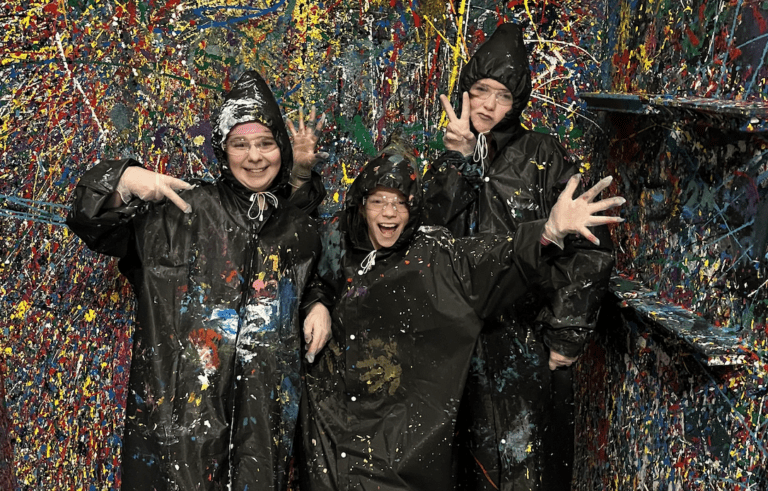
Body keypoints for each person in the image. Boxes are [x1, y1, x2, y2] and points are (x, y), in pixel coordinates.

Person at [298, 138, 624, 490]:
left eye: (400, 202)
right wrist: (317, 304)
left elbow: (498, 257)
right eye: (378, 201)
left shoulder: (437, 256)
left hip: (402, 449)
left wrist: (549, 231)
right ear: (362, 205)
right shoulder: (339, 243)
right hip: (335, 442)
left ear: (413, 207)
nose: (389, 212)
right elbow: (307, 271)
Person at [66, 70, 331, 491]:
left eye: (265, 143)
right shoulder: (184, 213)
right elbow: (91, 222)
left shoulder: (297, 229)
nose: (254, 156)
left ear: (280, 146)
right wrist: (124, 180)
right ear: (223, 150)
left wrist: (317, 302)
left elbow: (309, 274)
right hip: (183, 429)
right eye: (240, 144)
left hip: (260, 433)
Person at [422, 23, 616, 490]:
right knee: (453, 467)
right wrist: (459, 164)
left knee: (519, 469)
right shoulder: (449, 156)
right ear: (465, 92)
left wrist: (565, 337)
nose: (488, 105)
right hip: (454, 343)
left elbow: (589, 249)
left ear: (518, 102)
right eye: (480, 91)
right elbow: (425, 238)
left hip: (521, 340)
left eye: (503, 95)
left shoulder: (542, 155)